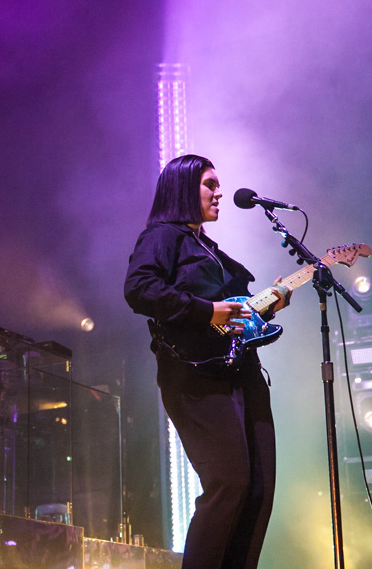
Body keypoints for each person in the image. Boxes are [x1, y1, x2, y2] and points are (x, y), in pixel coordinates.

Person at [124, 154, 291, 569]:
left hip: (240, 371)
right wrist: (207, 311)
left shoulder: (209, 249)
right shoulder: (162, 237)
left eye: (219, 185)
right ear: (183, 188)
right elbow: (139, 289)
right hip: (195, 375)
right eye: (210, 185)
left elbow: (234, 311)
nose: (219, 193)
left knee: (258, 489)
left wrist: (266, 305)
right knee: (228, 484)